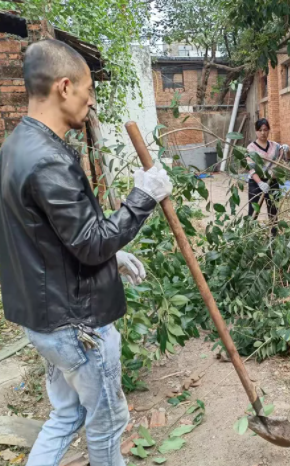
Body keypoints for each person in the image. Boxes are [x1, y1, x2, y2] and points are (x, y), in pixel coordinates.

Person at [0, 40, 173, 466]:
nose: (90, 100)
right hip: (76, 326)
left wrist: (112, 257)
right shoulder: (48, 160)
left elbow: (43, 234)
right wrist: (142, 198)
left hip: (44, 320)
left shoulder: (15, 147)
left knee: (68, 413)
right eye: (87, 89)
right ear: (63, 87)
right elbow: (91, 242)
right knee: (107, 422)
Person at [246, 118, 290, 225]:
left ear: (268, 130)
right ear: (256, 131)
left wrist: (287, 150)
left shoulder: (275, 146)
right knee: (253, 211)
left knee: (273, 211)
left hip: (272, 182)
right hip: (256, 183)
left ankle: (273, 236)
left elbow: (288, 159)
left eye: (265, 130)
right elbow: (251, 169)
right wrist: (260, 183)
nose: (263, 133)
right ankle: (249, 233)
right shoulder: (251, 148)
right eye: (260, 130)